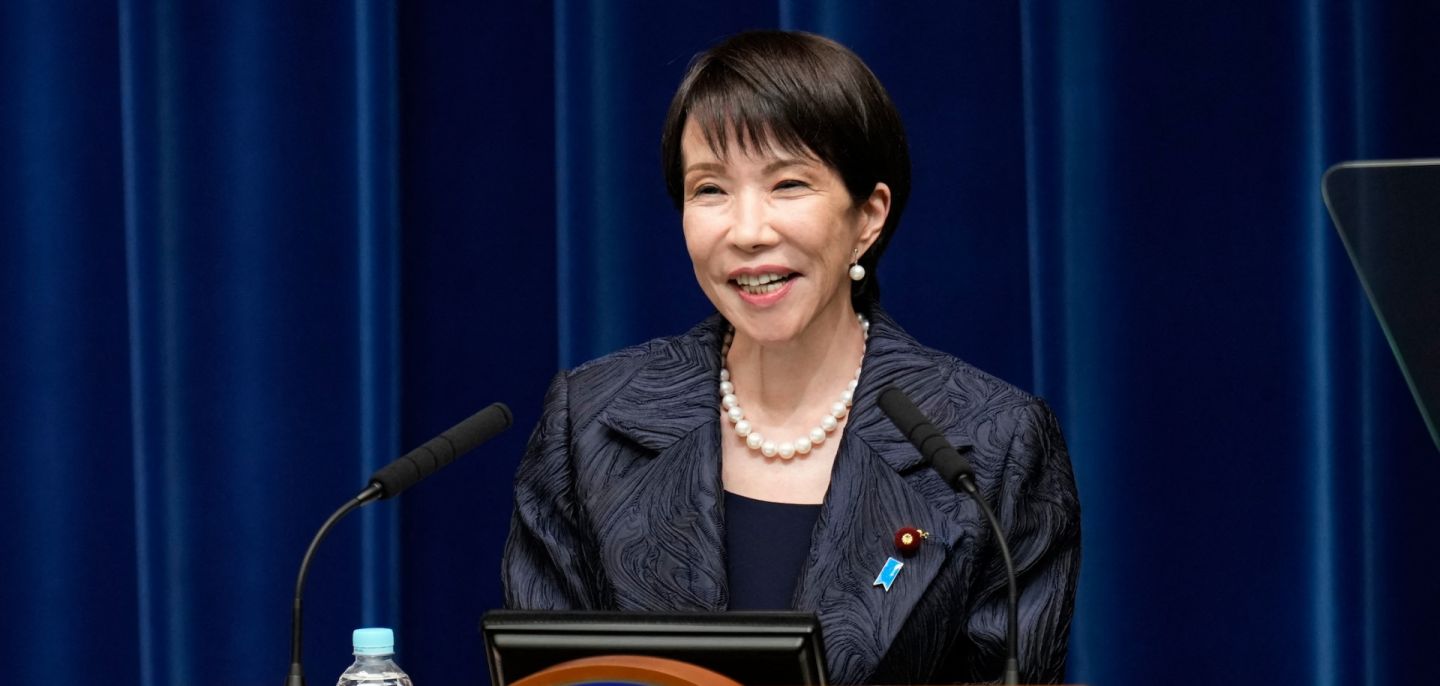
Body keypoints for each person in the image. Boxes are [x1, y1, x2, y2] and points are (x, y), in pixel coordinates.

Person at [503, 30, 1080, 684]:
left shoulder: (990, 444)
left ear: (869, 216)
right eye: (710, 189)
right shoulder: (591, 422)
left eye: (788, 184)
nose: (748, 232)